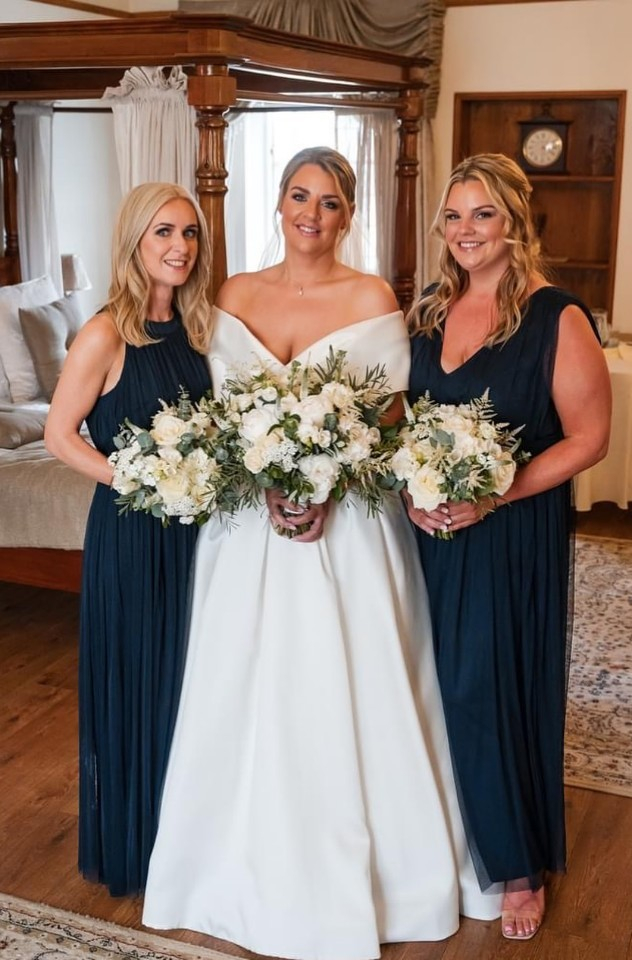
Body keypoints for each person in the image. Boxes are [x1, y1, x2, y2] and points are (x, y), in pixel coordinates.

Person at [142, 147, 502, 959]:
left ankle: (386, 875)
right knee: (243, 680)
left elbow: (389, 419)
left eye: (331, 201)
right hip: (247, 529)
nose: (313, 212)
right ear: (278, 203)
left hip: (353, 526)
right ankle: (224, 870)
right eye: (299, 196)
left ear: (349, 214)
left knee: (360, 679)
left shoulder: (372, 296)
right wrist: (264, 478)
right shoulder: (233, 293)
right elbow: (227, 416)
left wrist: (328, 483)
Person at [404, 153, 611, 940]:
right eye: (454, 216)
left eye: (483, 215)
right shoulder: (427, 309)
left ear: (515, 222)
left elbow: (589, 438)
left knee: (486, 685)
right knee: (429, 680)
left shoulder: (556, 316)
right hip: (429, 531)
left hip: (509, 531)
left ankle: (517, 864)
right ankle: (444, 831)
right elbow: (400, 422)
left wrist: (496, 491)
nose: (466, 231)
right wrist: (409, 493)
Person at [45, 182, 214, 896]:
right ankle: (138, 847)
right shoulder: (105, 332)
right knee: (139, 681)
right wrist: (135, 479)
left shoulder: (200, 330)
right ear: (135, 244)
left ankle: (191, 844)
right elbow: (58, 436)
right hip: (133, 535)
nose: (178, 247)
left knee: (191, 684)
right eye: (162, 234)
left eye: (189, 233)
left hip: (198, 538)